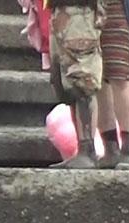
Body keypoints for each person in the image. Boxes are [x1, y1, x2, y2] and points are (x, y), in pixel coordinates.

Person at [46, 0, 104, 169]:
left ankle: (88, 149)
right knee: (67, 84)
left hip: (81, 10)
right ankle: (82, 149)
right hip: (60, 9)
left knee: (83, 81)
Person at [93, 0, 129, 169]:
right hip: (81, 9)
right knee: (95, 78)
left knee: (120, 73)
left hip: (117, 7)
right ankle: (110, 148)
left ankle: (128, 150)